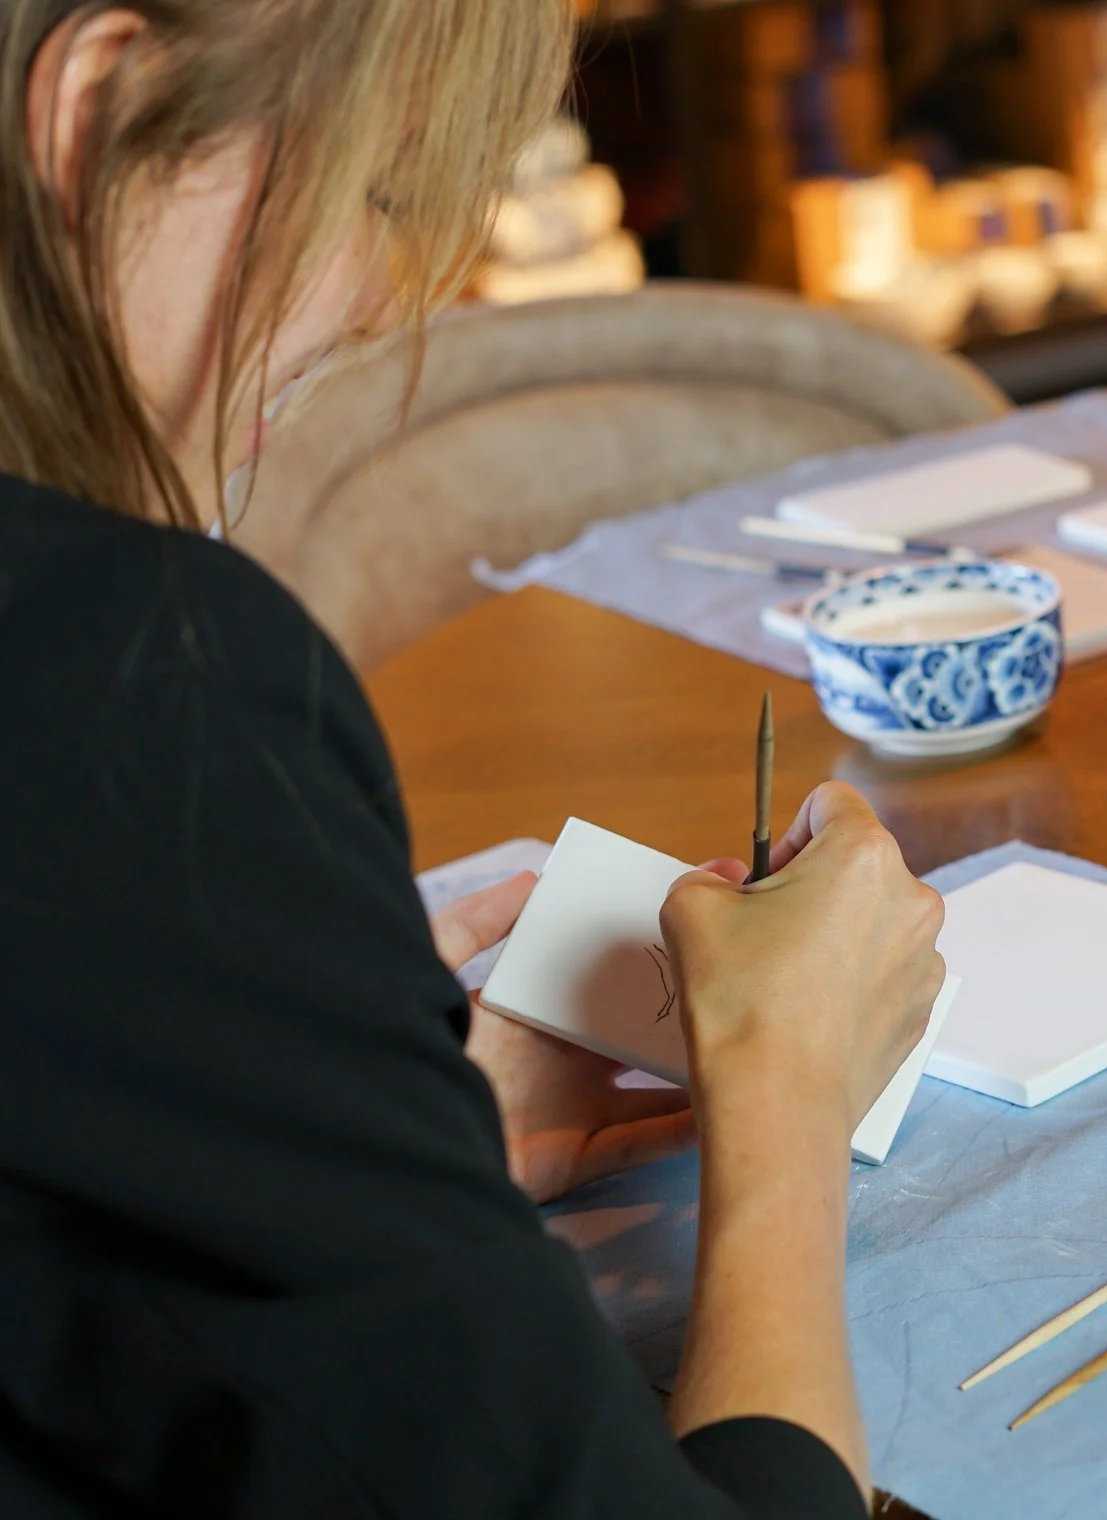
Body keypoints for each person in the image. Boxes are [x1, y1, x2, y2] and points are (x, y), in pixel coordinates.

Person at [0, 4, 944, 1515]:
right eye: (373, 191)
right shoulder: (124, 686)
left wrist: (358, 1148)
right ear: (104, 115)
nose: (384, 300)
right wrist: (786, 1101)